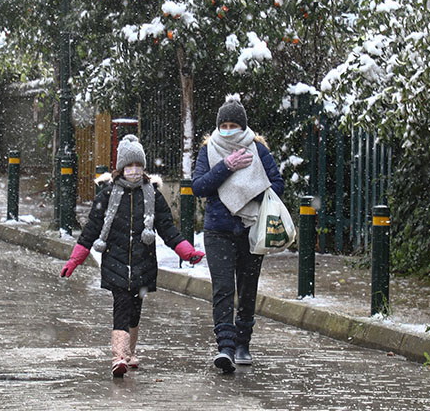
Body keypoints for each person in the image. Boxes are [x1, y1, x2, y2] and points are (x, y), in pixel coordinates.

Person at [59, 134, 205, 377]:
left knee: (135, 310)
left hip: (143, 263)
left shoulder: (153, 195)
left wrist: (187, 252)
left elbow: (167, 229)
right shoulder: (107, 194)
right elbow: (91, 229)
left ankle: (130, 352)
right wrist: (75, 260)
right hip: (115, 263)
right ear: (121, 168)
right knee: (122, 306)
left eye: (138, 166)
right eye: (129, 166)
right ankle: (119, 356)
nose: (134, 171)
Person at [192, 96, 284, 372]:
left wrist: (250, 192)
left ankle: (243, 343)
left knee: (247, 289)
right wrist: (226, 166)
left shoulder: (258, 150)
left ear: (243, 127)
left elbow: (277, 184)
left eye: (234, 124)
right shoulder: (208, 151)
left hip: (250, 229)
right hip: (217, 229)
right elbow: (199, 186)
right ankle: (226, 348)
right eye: (224, 124)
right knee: (223, 289)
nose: (229, 129)